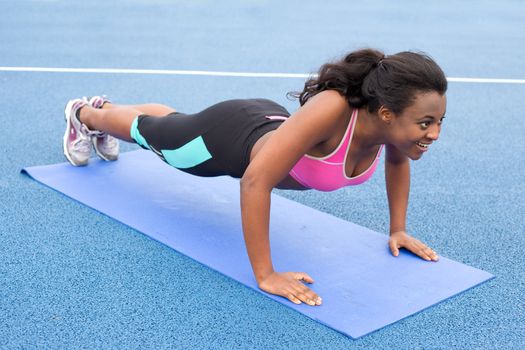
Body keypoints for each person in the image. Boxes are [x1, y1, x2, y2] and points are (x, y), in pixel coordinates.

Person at [62, 48, 447, 307]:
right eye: (425, 123)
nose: (434, 134)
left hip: (264, 122)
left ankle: (118, 113)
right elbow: (255, 183)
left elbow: (397, 163)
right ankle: (86, 114)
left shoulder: (391, 132)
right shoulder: (334, 110)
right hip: (229, 139)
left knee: (175, 125)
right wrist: (266, 274)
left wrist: (398, 229)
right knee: (157, 139)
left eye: (439, 122)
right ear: (385, 113)